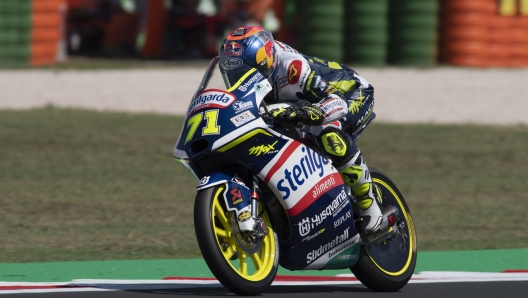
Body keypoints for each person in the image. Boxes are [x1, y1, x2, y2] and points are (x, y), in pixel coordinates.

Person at [218, 26, 396, 235]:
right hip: (301, 106)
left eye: (247, 73)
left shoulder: (292, 68)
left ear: (266, 63)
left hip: (351, 93)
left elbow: (335, 103)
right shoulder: (252, 85)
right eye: (234, 74)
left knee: (327, 132)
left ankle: (369, 204)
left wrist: (308, 114)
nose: (241, 80)